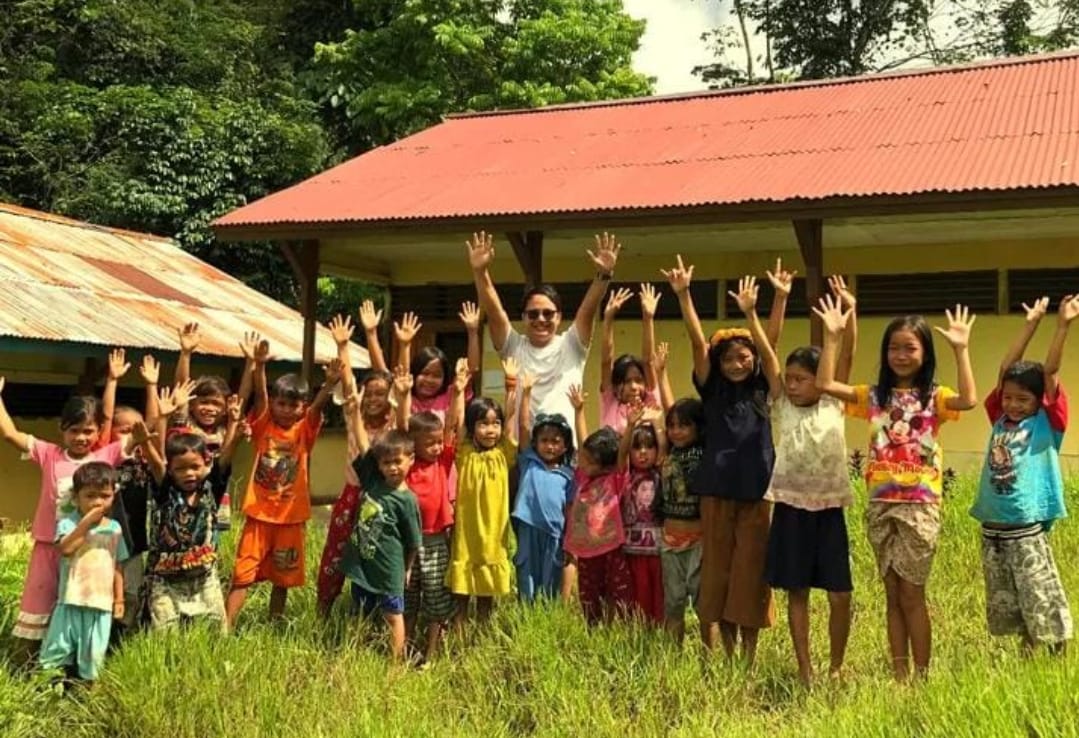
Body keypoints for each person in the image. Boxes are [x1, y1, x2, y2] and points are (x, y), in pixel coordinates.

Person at [815, 297, 978, 680]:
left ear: (925, 352)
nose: (901, 355)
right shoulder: (874, 397)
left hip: (920, 506)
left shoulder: (934, 397)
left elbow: (969, 400)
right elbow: (824, 383)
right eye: (893, 347)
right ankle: (899, 675)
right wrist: (833, 336)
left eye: (910, 347)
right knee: (891, 593)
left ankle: (921, 676)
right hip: (881, 504)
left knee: (911, 593)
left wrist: (962, 349)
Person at [663, 258, 776, 664]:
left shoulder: (764, 387)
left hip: (758, 492)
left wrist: (765, 306)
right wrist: (684, 295)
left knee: (751, 575)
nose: (736, 364)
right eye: (728, 359)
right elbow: (697, 344)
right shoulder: (711, 390)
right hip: (716, 494)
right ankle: (727, 656)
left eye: (743, 357)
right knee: (720, 576)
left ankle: (748, 657)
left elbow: (770, 345)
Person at [751, 274, 857, 686]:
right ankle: (805, 668)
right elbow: (767, 354)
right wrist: (752, 313)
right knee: (796, 591)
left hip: (830, 511)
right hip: (791, 510)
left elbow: (847, 352)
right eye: (789, 379)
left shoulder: (833, 399)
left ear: (820, 379)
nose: (793, 386)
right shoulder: (782, 406)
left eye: (802, 379)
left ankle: (835, 666)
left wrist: (850, 310)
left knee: (839, 594)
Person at [970, 294, 1077, 653]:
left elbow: (1050, 372)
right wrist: (1029, 324)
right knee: (1009, 600)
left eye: (1023, 400)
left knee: (1039, 593)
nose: (1013, 405)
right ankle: (1028, 653)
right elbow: (1006, 369)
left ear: (1038, 402)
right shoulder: (998, 418)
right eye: (1009, 398)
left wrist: (1061, 326)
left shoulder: (1047, 423)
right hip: (993, 527)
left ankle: (1057, 652)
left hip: (1026, 526)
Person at [0, 381, 128, 662]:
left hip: (89, 552)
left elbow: (142, 434)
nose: (81, 437)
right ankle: (24, 669)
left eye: (88, 431)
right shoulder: (49, 454)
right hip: (49, 545)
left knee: (76, 609)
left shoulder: (105, 456)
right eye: (74, 430)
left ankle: (75, 669)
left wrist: (161, 410)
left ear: (97, 432)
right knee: (38, 603)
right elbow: (9, 433)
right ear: (62, 429)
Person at [225, 335, 341, 628]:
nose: (286, 410)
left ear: (301, 407)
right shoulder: (264, 425)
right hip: (259, 515)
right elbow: (261, 398)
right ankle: (226, 626)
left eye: (293, 405)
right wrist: (259, 367)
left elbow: (315, 410)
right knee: (243, 573)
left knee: (283, 576)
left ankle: (275, 623)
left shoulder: (304, 431)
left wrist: (327, 386)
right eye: (282, 403)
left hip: (290, 517)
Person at [466, 230, 620, 442]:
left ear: (559, 318)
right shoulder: (513, 347)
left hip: (567, 454)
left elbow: (587, 310)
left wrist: (603, 277)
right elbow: (495, 312)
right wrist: (480, 272)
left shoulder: (572, 345)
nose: (540, 319)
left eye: (548, 313)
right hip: (524, 453)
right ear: (523, 318)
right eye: (533, 314)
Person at [134, 384, 242, 631]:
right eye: (181, 468)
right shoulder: (166, 489)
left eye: (194, 466)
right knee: (165, 634)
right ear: (171, 470)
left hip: (203, 577)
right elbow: (157, 460)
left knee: (216, 631)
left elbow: (225, 457)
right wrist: (157, 425)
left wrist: (234, 426)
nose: (189, 474)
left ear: (206, 464)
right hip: (165, 579)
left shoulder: (211, 488)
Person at [316, 313, 395, 617]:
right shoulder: (355, 416)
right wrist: (343, 347)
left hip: (381, 499)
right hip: (352, 495)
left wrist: (375, 335)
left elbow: (394, 381)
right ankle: (323, 609)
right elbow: (349, 386)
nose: (374, 399)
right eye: (369, 393)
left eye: (381, 394)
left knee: (374, 558)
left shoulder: (394, 424)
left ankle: (372, 613)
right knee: (335, 555)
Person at [393, 360, 466, 661]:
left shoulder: (443, 460)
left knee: (437, 598)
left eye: (438, 443)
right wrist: (402, 397)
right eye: (430, 443)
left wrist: (459, 392)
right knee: (408, 599)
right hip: (408, 541)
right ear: (413, 446)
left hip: (436, 540)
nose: (437, 447)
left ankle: (433, 654)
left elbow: (453, 427)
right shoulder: (407, 462)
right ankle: (405, 649)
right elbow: (400, 428)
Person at [338, 423, 422, 662]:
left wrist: (407, 568)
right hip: (363, 566)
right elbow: (365, 448)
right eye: (386, 463)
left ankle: (396, 664)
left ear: (411, 460)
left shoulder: (407, 501)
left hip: (389, 570)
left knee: (393, 614)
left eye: (398, 461)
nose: (393, 467)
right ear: (378, 466)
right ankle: (354, 656)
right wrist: (354, 412)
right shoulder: (374, 483)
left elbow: (414, 541)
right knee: (358, 612)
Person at [38, 462, 128, 682]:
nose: (97, 501)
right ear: (76, 497)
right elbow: (66, 549)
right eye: (90, 495)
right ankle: (47, 692)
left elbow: (118, 564)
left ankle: (89, 699)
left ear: (113, 496)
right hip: (70, 600)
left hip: (100, 604)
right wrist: (86, 524)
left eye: (104, 496)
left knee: (93, 657)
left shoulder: (115, 528)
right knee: (56, 651)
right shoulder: (68, 524)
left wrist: (119, 599)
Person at [446, 358, 519, 628]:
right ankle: (459, 638)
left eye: (495, 423)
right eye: (484, 424)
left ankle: (484, 641)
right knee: (462, 594)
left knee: (487, 595)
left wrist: (511, 386)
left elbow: (510, 418)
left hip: (493, 536)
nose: (491, 430)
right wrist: (459, 389)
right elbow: (459, 423)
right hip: (467, 534)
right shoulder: (465, 453)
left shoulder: (504, 454)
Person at [106, 353, 163, 639]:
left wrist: (151, 386)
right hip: (105, 541)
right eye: (124, 430)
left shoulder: (142, 459)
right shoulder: (107, 456)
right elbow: (105, 421)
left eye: (134, 429)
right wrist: (112, 381)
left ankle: (123, 639)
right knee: (105, 593)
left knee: (130, 593)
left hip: (134, 540)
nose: (131, 434)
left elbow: (150, 425)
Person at [564, 393, 631, 625]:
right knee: (589, 598)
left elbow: (622, 455)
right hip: (586, 551)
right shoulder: (583, 476)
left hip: (611, 548)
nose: (581, 462)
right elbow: (584, 441)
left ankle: (614, 633)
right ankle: (594, 634)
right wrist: (579, 410)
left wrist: (631, 426)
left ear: (604, 464)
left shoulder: (614, 478)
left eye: (588, 460)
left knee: (616, 594)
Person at [513, 372, 575, 603]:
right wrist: (526, 393)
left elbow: (569, 508)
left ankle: (547, 616)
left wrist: (569, 536)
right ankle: (526, 614)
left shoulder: (568, 474)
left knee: (551, 578)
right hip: (528, 529)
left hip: (555, 533)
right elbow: (523, 425)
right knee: (526, 572)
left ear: (565, 445)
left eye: (556, 441)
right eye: (544, 440)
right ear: (535, 443)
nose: (549, 446)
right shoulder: (529, 460)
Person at [173, 323, 236, 533]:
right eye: (203, 402)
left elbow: (241, 399)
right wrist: (186, 353)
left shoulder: (224, 431)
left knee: (209, 544)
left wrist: (254, 364)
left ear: (225, 408)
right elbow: (181, 388)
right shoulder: (186, 426)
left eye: (216, 404)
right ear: (192, 404)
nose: (209, 408)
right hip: (184, 495)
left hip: (213, 496)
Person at [655, 397, 705, 643]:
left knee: (704, 606)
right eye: (672, 426)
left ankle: (709, 661)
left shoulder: (705, 453)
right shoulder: (667, 452)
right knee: (673, 604)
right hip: (670, 542)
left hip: (699, 542)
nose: (676, 431)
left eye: (683, 425)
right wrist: (659, 372)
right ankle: (674, 657)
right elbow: (665, 409)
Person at [618, 405, 665, 625]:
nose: (643, 452)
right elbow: (621, 454)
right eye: (637, 448)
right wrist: (629, 426)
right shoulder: (626, 476)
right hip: (632, 550)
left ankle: (658, 635)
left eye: (649, 447)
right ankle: (638, 634)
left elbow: (664, 449)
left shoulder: (660, 473)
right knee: (637, 596)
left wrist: (656, 424)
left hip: (658, 550)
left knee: (659, 597)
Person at [599, 284, 662, 434]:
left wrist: (648, 318)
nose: (634, 387)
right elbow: (606, 361)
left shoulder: (649, 402)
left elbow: (648, 361)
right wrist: (608, 319)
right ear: (615, 386)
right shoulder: (610, 402)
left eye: (639, 380)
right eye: (627, 381)